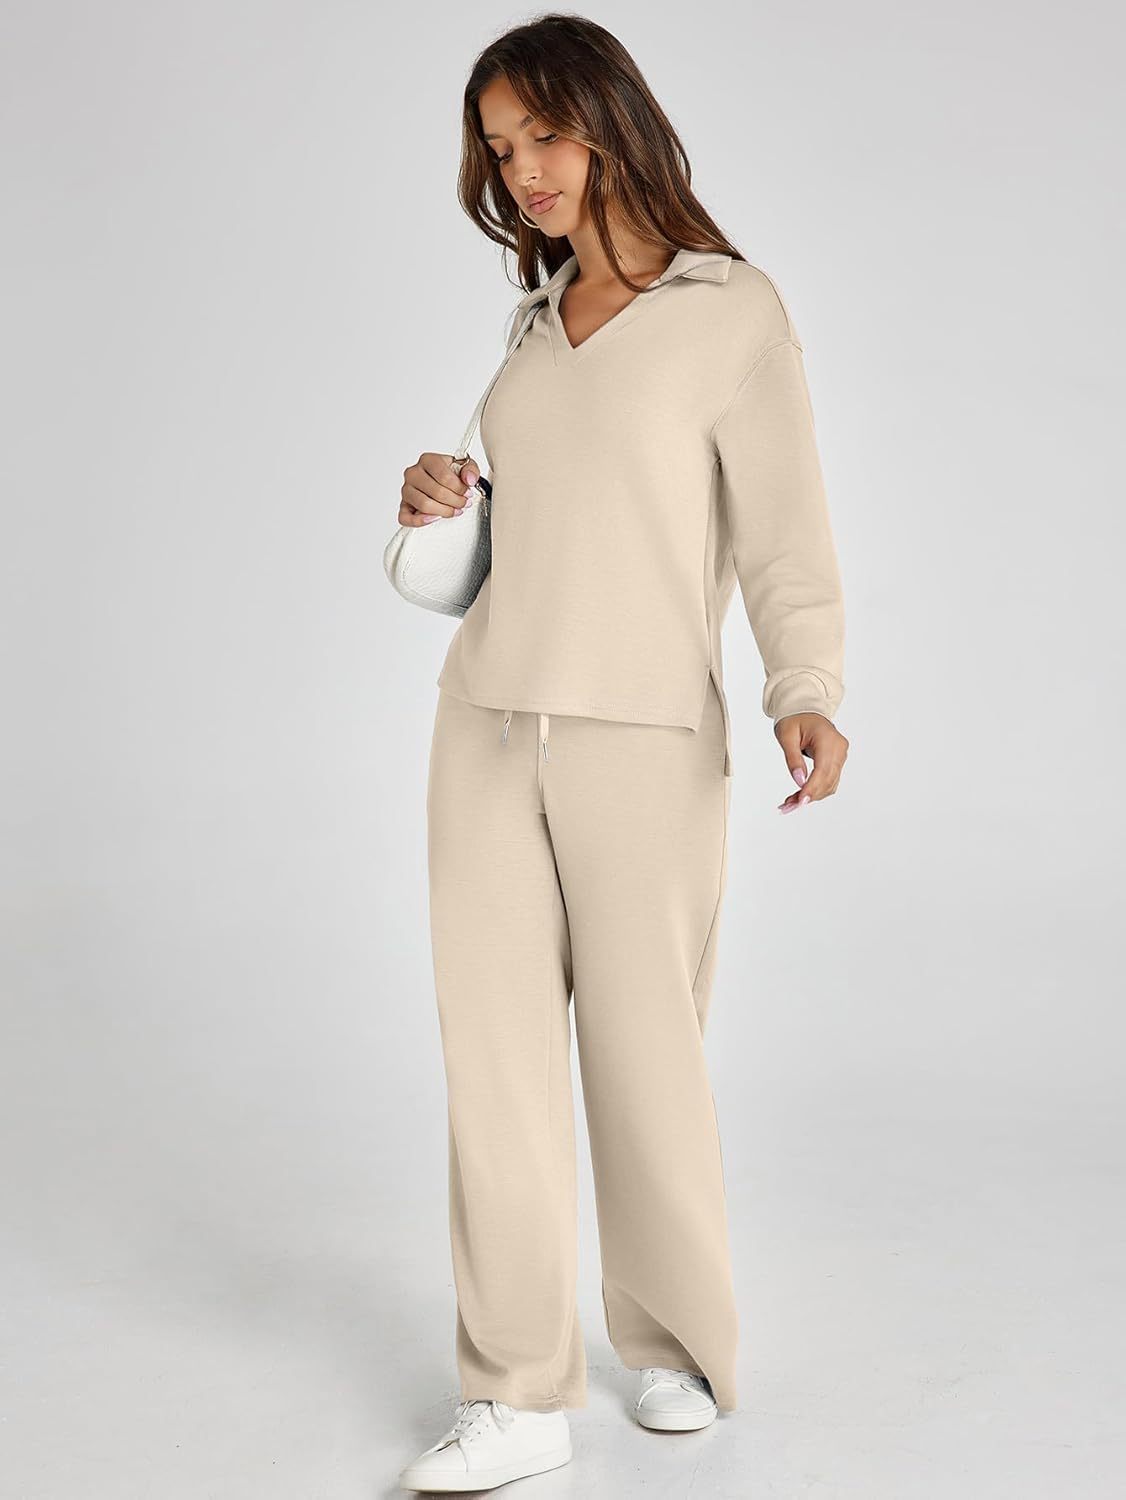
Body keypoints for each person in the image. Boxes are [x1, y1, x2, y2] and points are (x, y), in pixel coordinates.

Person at [394, 13, 849, 1492]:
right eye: (500, 146)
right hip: (484, 723)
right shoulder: (530, 321)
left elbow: (784, 531)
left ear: (611, 121)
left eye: (546, 133)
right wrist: (439, 498)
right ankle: (515, 1393)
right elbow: (529, 535)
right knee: (494, 1067)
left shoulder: (731, 310)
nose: (523, 169)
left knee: (646, 1056)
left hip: (645, 735)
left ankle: (671, 1344)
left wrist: (805, 686)